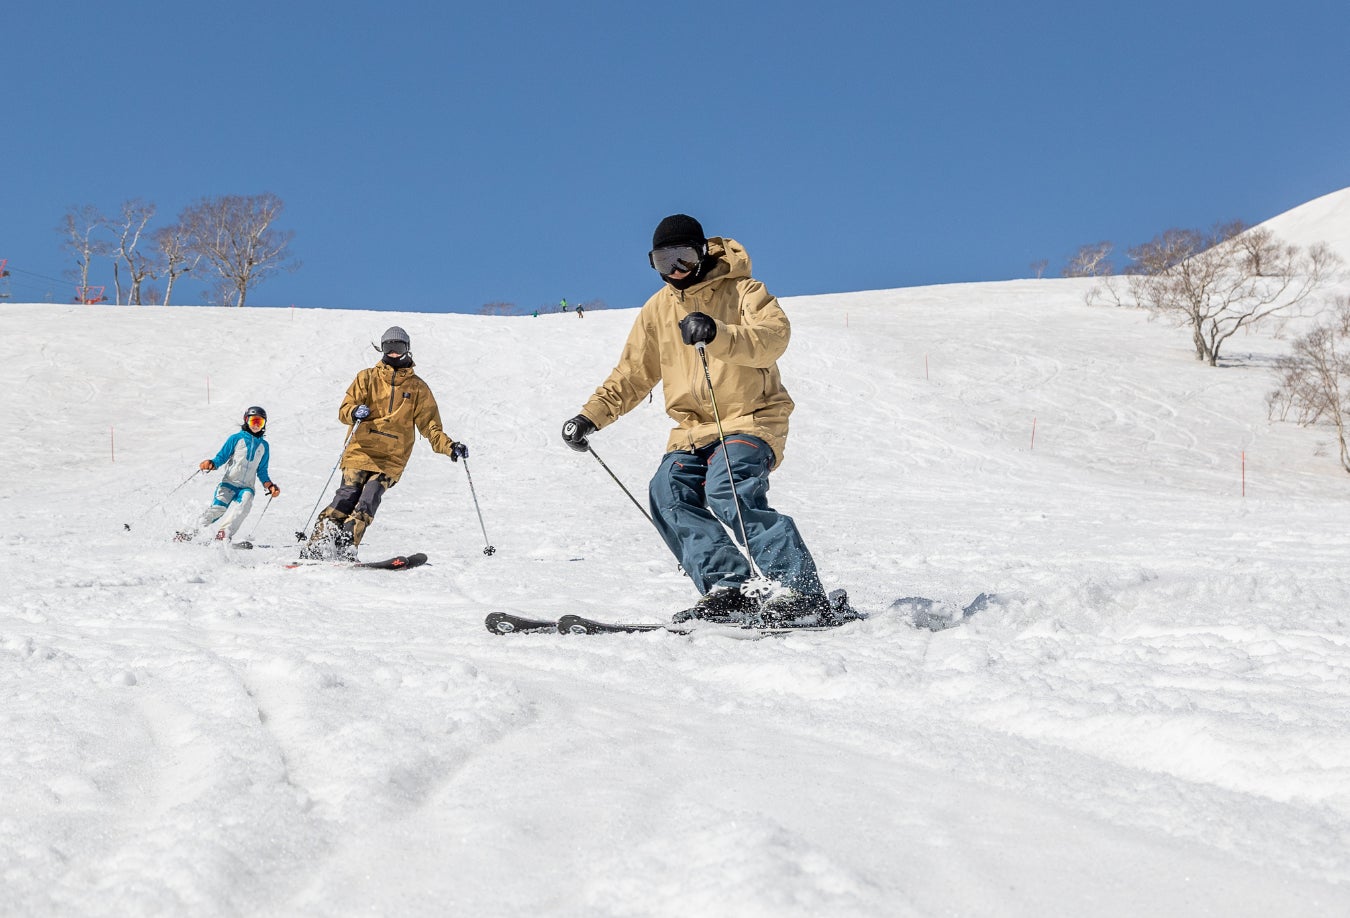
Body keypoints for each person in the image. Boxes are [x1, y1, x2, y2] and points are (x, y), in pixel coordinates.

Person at [560, 214, 838, 626]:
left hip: (750, 418)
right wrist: (590, 417)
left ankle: (799, 590)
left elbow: (773, 338)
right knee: (667, 492)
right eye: (663, 261)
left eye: (684, 258)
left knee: (729, 489)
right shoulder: (657, 311)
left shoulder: (744, 290)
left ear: (703, 253)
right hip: (691, 431)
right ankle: (728, 589)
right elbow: (633, 373)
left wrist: (719, 332)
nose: (675, 271)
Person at [301, 326, 468, 559]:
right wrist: (354, 412)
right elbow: (344, 410)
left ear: (407, 349)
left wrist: (449, 446)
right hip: (361, 450)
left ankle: (346, 544)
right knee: (347, 494)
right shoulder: (367, 377)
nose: (392, 353)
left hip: (391, 458)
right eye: (388, 348)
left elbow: (430, 425)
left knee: (369, 499)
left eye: (397, 348)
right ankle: (318, 544)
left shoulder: (417, 388)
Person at [177, 406, 280, 543]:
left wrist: (270, 486)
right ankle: (187, 532)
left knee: (245, 503)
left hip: (246, 487)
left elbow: (262, 471)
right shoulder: (236, 438)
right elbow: (221, 457)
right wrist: (211, 464)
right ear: (246, 420)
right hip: (228, 484)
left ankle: (224, 534)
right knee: (217, 509)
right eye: (253, 421)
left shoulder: (264, 446)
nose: (256, 425)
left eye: (259, 422)